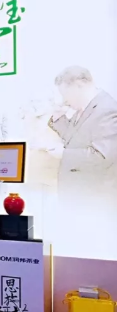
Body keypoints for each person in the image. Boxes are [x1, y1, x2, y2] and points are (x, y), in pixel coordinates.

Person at [49, 66, 117, 257]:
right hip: (79, 199)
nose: (64, 100)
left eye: (66, 94)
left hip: (94, 201)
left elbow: (101, 156)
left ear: (79, 86)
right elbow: (75, 139)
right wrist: (58, 119)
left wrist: (63, 154)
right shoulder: (85, 109)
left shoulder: (107, 110)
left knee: (91, 256)